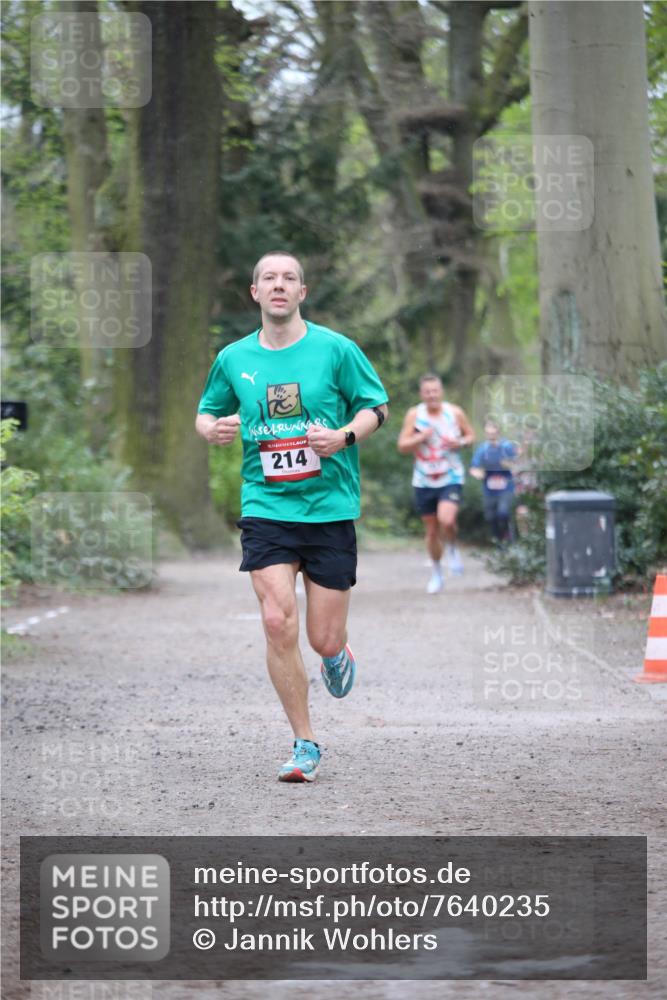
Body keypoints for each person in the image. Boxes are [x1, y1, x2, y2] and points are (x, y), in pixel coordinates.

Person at [195, 250, 389, 783]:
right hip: (266, 506)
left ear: (302, 292)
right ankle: (304, 741)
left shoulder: (336, 350)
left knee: (322, 638)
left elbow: (377, 407)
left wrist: (344, 436)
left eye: (289, 279)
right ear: (254, 293)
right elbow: (207, 410)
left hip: (328, 509)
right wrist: (208, 428)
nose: (279, 286)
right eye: (268, 279)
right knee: (276, 619)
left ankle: (335, 652)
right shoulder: (233, 358)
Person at [397, 374, 475, 594]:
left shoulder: (454, 412)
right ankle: (437, 573)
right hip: (423, 479)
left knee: (447, 520)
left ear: (441, 391)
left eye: (435, 391)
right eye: (427, 391)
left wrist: (459, 442)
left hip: (450, 476)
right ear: (422, 394)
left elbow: (471, 436)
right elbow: (402, 445)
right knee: (431, 532)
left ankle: (451, 547)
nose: (432, 395)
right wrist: (420, 438)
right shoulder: (415, 414)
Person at [469, 417, 519, 544]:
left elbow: (518, 464)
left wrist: (509, 465)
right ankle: (498, 542)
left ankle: (510, 538)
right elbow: (474, 467)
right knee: (490, 517)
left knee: (503, 513)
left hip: (506, 487)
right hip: (489, 489)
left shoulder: (507, 446)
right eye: (488, 433)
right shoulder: (482, 449)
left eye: (493, 433)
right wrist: (478, 473)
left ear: (498, 432)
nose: (491, 436)